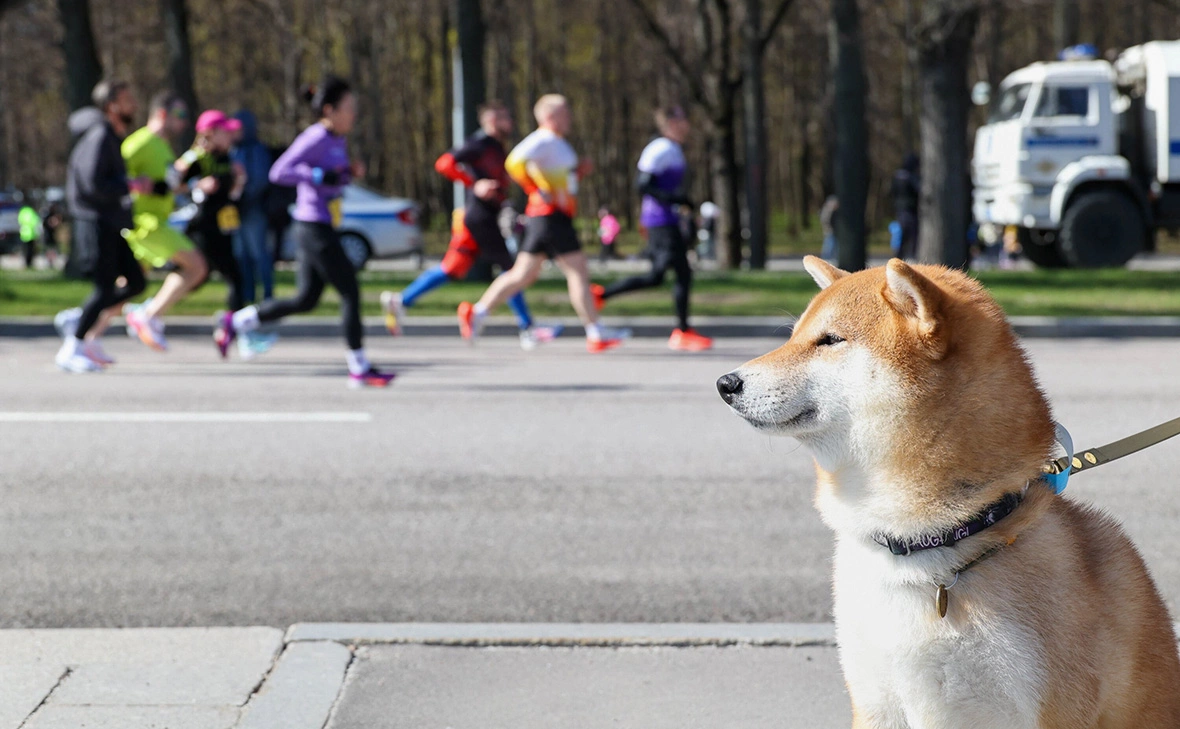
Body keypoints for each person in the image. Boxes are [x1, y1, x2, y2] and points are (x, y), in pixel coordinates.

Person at [214, 75, 395, 388]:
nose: (353, 114)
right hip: (312, 226)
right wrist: (316, 173)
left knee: (305, 299)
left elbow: (331, 181)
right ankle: (359, 367)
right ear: (329, 110)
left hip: (323, 224)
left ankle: (236, 321)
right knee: (350, 291)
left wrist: (346, 174)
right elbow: (280, 171)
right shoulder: (315, 137)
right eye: (349, 108)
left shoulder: (338, 139)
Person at [379, 100, 560, 350]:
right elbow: (444, 163)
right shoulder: (479, 144)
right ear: (491, 121)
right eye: (504, 117)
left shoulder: (498, 147)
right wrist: (473, 183)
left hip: (477, 219)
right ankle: (527, 327)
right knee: (512, 270)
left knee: (452, 269)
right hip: (479, 217)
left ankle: (400, 301)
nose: (510, 122)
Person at [457, 94, 629, 353]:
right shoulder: (544, 138)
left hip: (547, 217)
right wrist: (535, 186)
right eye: (564, 112)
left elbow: (559, 178)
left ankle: (478, 313)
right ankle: (595, 331)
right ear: (549, 116)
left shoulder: (556, 142)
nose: (570, 116)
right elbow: (514, 162)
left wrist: (577, 172)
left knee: (523, 274)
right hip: (550, 216)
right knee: (578, 272)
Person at [590, 105, 712, 352]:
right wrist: (677, 200)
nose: (687, 124)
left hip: (666, 220)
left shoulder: (673, 149)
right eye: (682, 120)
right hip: (660, 221)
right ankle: (682, 332)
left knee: (658, 276)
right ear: (670, 124)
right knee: (681, 273)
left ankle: (601, 295)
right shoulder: (659, 148)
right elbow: (642, 184)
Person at [54, 80, 146, 373]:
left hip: (112, 221)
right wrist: (128, 185)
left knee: (136, 282)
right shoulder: (99, 136)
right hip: (97, 221)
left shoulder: (110, 137)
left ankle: (80, 318)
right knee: (105, 288)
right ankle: (72, 348)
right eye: (127, 99)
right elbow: (91, 182)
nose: (133, 104)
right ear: (112, 106)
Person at [119, 90, 209, 352]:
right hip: (145, 224)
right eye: (179, 114)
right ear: (161, 114)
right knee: (197, 266)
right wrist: (137, 185)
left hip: (158, 221)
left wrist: (194, 169)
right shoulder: (139, 143)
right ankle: (147, 315)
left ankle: (81, 325)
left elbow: (169, 185)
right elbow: (109, 176)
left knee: (127, 286)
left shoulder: (163, 147)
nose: (183, 122)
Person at [176, 110, 248, 314]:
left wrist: (239, 181)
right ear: (211, 133)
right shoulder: (199, 157)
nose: (230, 136)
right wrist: (197, 184)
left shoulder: (227, 158)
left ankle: (232, 326)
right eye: (225, 132)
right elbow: (173, 181)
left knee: (233, 277)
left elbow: (232, 194)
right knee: (198, 276)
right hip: (202, 226)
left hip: (223, 225)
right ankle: (151, 310)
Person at [231, 109, 275, 305]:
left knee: (259, 255)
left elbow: (261, 180)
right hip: (236, 212)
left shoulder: (257, 150)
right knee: (242, 256)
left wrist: (245, 197)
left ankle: (267, 296)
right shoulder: (234, 149)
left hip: (253, 210)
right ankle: (247, 296)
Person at [892, 152, 920, 261]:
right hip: (910, 210)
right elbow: (918, 190)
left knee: (902, 235)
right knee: (912, 234)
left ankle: (899, 256)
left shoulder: (897, 177)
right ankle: (912, 256)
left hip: (899, 209)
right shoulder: (910, 178)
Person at [18, 199, 41, 269]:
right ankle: (29, 263)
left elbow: (20, 221)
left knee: (25, 250)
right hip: (31, 234)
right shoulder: (31, 212)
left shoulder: (22, 211)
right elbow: (35, 221)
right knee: (31, 250)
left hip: (23, 233)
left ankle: (26, 262)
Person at [819, 194, 838, 262]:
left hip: (831, 231)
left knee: (831, 245)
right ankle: (826, 258)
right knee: (829, 245)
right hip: (829, 231)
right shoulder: (828, 210)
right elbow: (826, 221)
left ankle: (830, 258)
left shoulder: (829, 210)